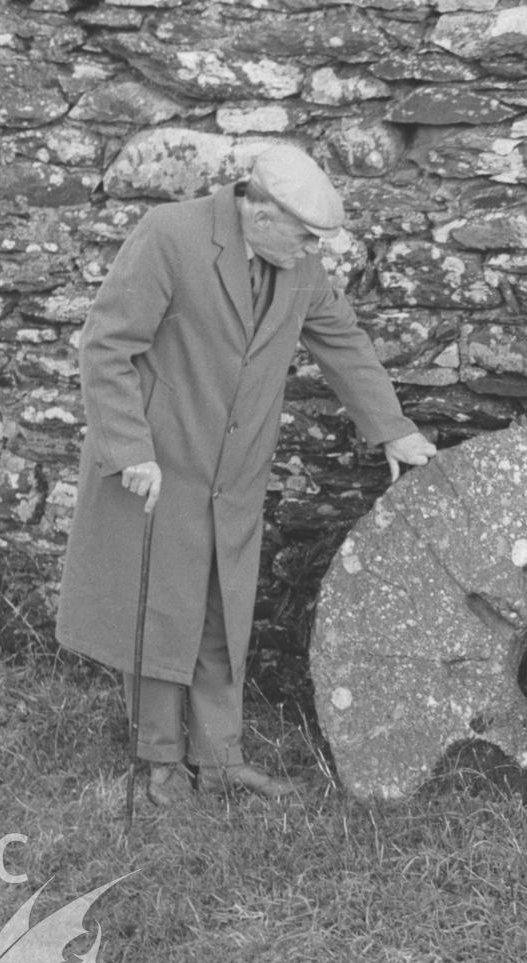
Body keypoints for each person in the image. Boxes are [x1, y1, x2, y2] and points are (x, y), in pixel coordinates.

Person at [56, 144, 436, 806]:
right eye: (305, 234)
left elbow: (341, 341)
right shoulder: (170, 236)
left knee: (219, 612)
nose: (314, 249)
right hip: (161, 466)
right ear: (258, 211)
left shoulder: (296, 265)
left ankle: (221, 758)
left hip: (234, 477)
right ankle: (161, 767)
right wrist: (129, 448)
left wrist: (393, 428)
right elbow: (107, 345)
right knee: (159, 609)